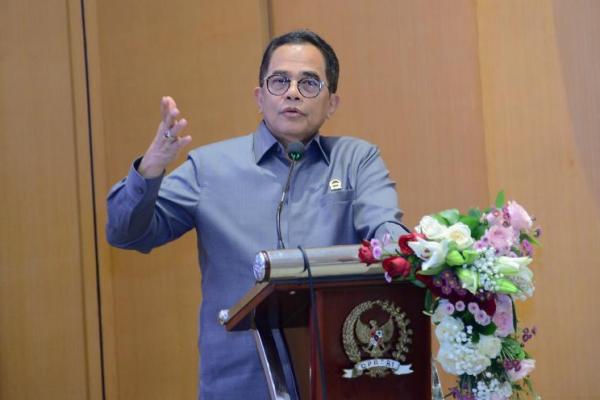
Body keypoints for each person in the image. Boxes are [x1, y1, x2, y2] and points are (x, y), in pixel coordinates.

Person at [106, 29, 407, 399]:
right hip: (239, 381)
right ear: (259, 97)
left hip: (338, 374)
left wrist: (406, 252)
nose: (292, 92)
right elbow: (125, 233)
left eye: (309, 83)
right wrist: (150, 168)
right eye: (279, 81)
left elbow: (385, 227)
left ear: (332, 103)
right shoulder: (210, 168)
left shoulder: (356, 160)